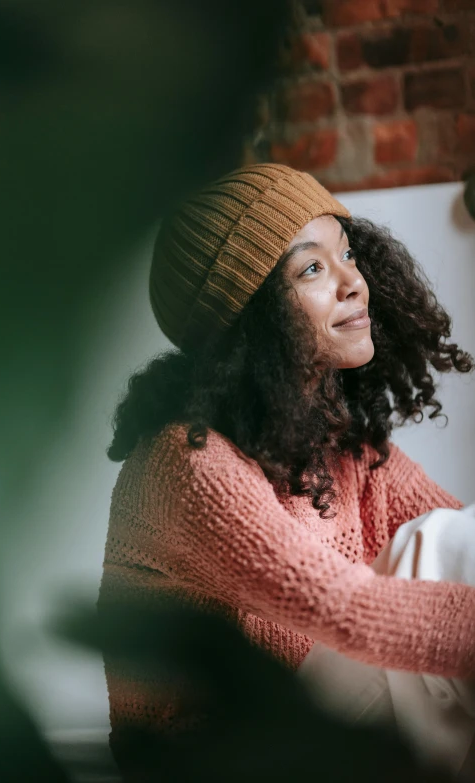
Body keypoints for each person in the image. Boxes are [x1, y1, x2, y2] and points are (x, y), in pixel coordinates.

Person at [99, 163, 475, 749]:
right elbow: (343, 609)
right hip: (214, 758)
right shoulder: (188, 463)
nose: (353, 282)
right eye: (312, 269)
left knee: (451, 537)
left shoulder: (346, 449)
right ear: (250, 318)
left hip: (304, 731)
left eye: (348, 254)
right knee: (430, 556)